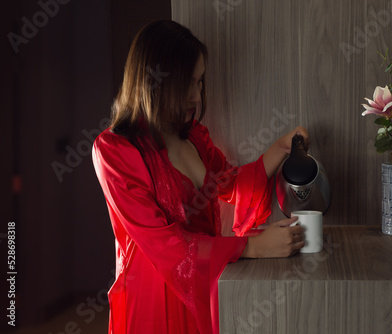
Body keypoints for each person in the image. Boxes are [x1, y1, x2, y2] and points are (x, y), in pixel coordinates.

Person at [92, 20, 307, 334]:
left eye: (200, 81)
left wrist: (280, 149)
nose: (197, 95)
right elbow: (165, 244)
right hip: (154, 305)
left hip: (207, 287)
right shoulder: (115, 151)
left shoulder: (194, 136)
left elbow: (231, 185)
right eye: (188, 83)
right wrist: (252, 246)